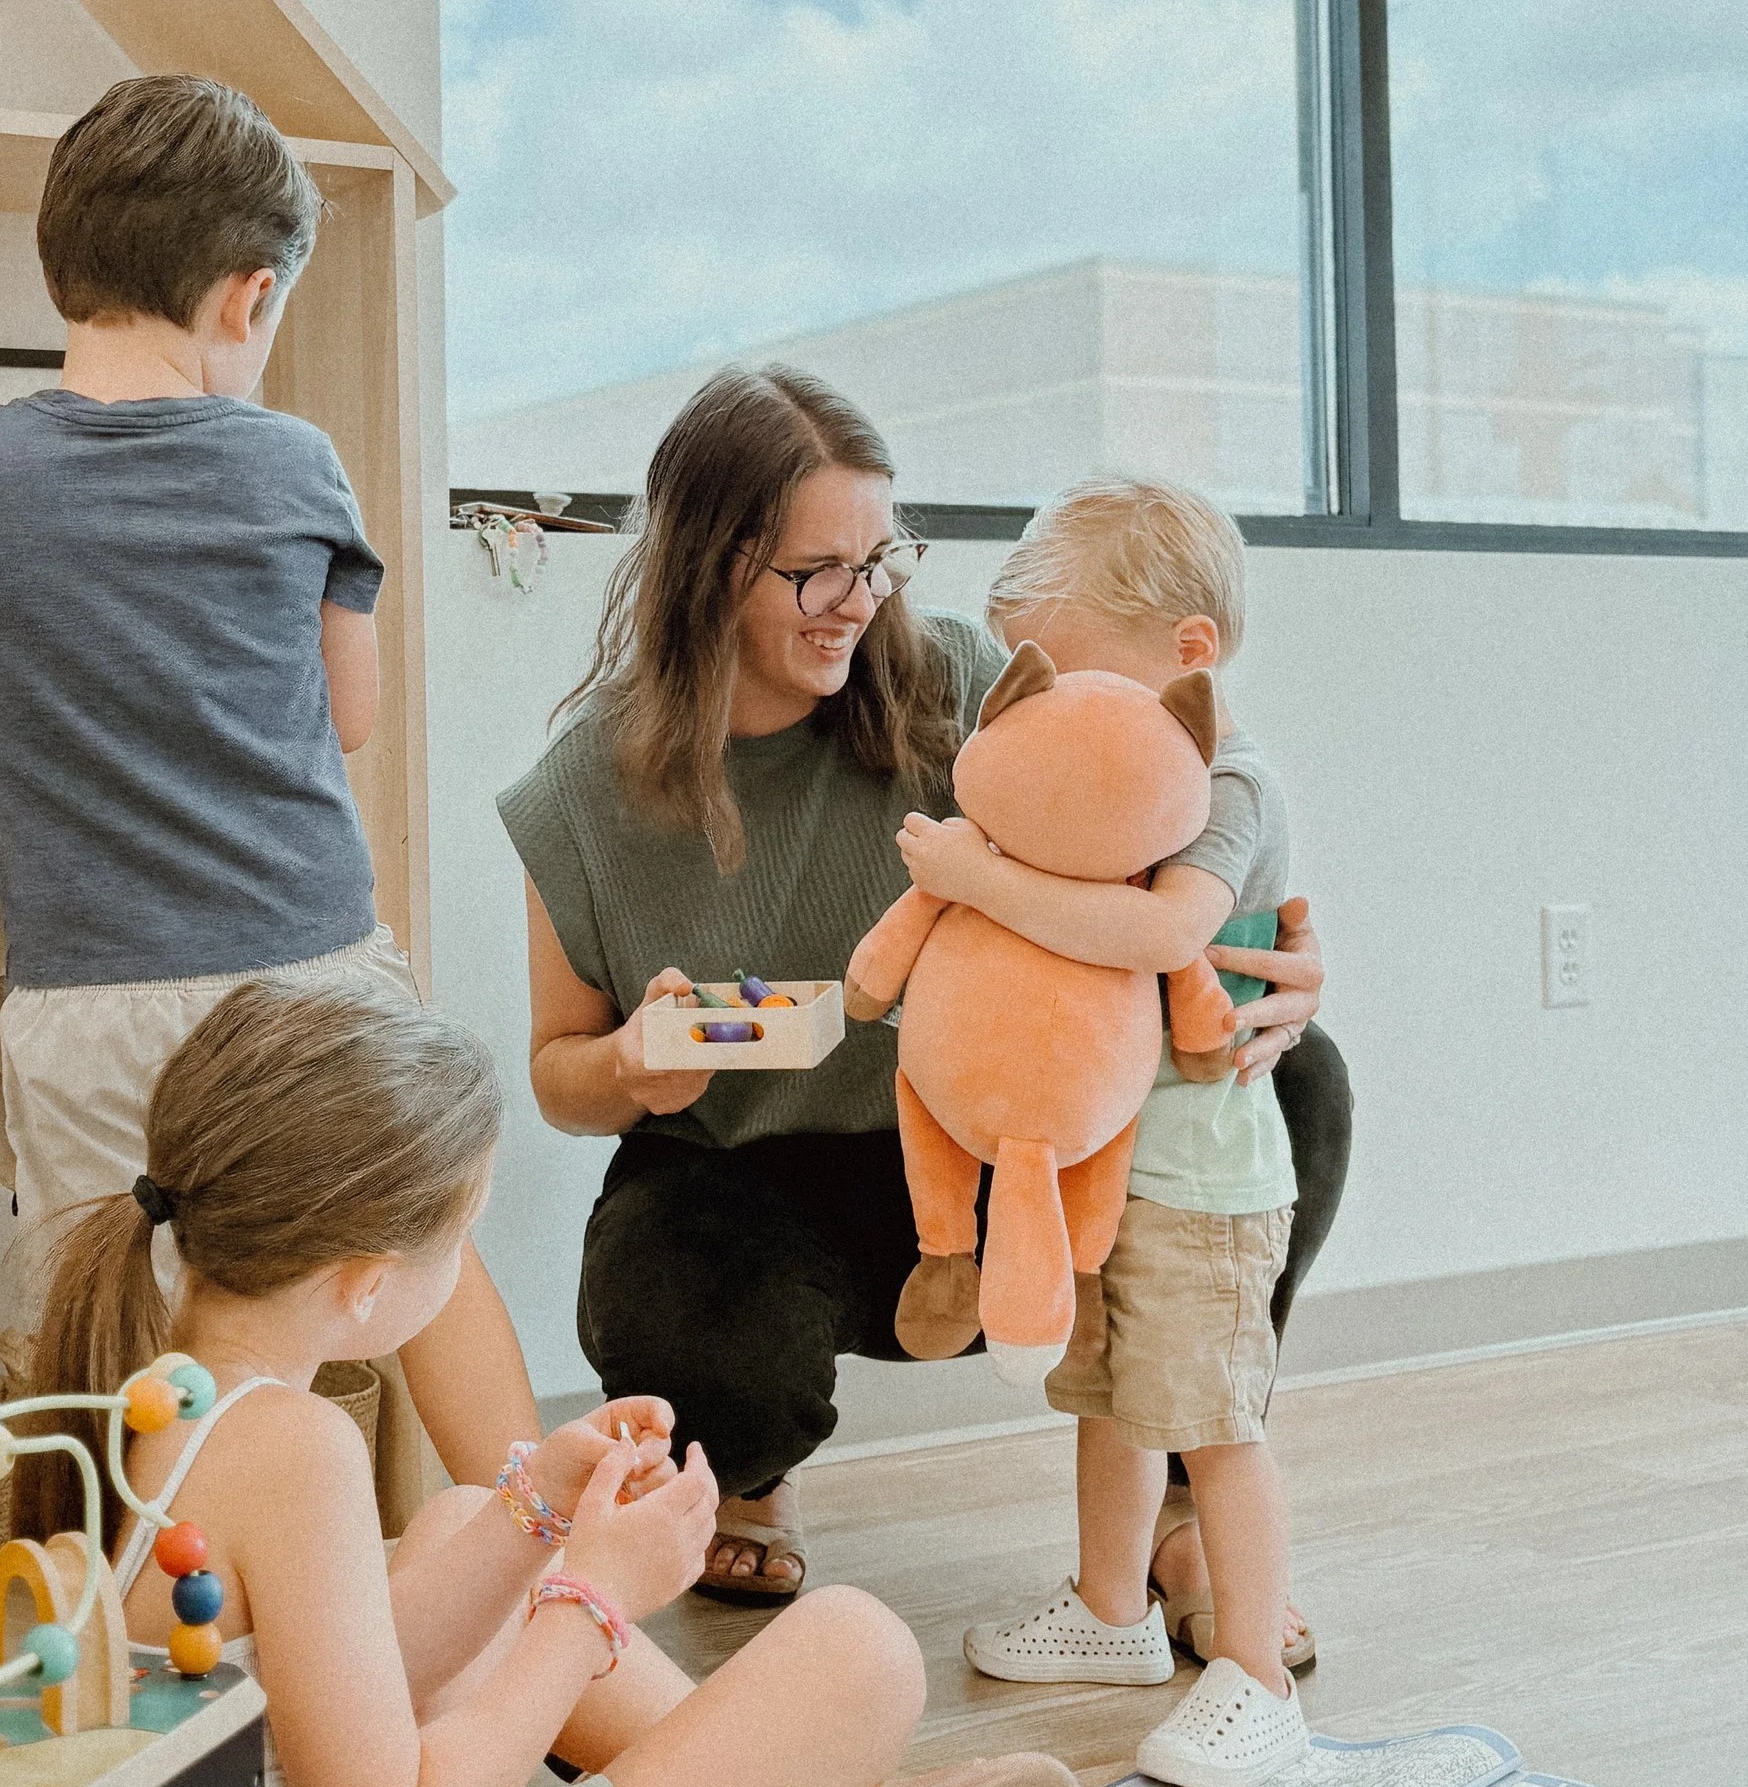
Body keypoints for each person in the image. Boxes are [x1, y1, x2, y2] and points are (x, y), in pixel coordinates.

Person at [16, 978, 1086, 1787]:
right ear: (366, 1284)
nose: (461, 1265)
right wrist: (589, 1600)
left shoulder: (166, 1394)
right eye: (456, 1238)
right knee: (859, 1648)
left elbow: (304, 1700)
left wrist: (539, 1515)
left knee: (474, 1517)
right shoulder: (298, 1452)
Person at [0, 71, 539, 1480]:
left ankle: (150, 1636)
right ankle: (547, 1547)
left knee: (117, 1327)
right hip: (307, 964)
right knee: (415, 1239)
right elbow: (352, 715)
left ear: (64, 267)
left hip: (95, 990)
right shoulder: (296, 465)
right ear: (249, 298)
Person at [501, 366, 1342, 1608]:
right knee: (671, 1295)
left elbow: (1187, 806)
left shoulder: (971, 685)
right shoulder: (583, 792)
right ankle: (749, 1469)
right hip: (760, 1171)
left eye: (879, 559)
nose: (858, 603)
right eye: (815, 571)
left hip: (1006, 1138)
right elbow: (557, 1073)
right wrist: (629, 1063)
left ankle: (1182, 1490)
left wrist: (1282, 974)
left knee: (1300, 1092)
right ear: (709, 565)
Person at [953, 480, 1309, 1787]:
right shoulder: (1093, 790)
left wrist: (983, 879)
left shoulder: (1227, 781)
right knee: (1111, 1398)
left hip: (1204, 1177)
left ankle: (1259, 1672)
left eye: (1081, 680)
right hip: (1116, 1163)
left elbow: (1167, 936)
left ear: (1187, 653)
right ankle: (1112, 1610)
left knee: (1209, 1416)